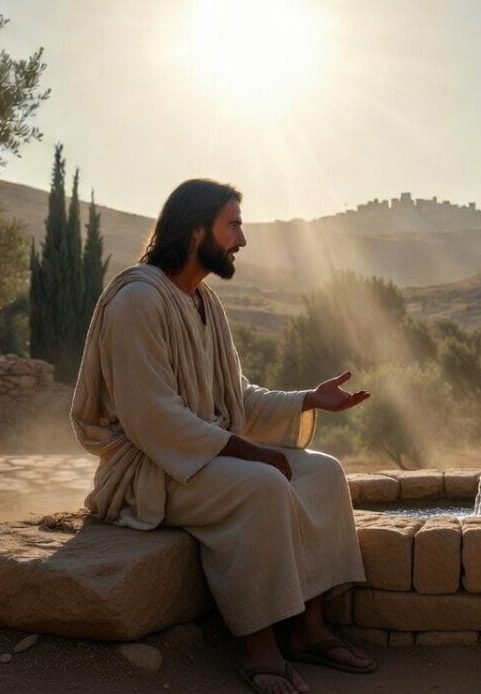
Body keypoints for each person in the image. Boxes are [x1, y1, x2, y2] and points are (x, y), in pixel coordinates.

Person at [71, 179, 376, 694]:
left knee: (323, 470)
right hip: (151, 467)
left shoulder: (203, 302)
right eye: (233, 225)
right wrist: (248, 452)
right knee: (262, 485)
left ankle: (310, 629)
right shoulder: (138, 301)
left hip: (201, 455)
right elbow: (152, 419)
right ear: (196, 232)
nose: (242, 239)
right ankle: (260, 648)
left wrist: (307, 398)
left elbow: (235, 399)